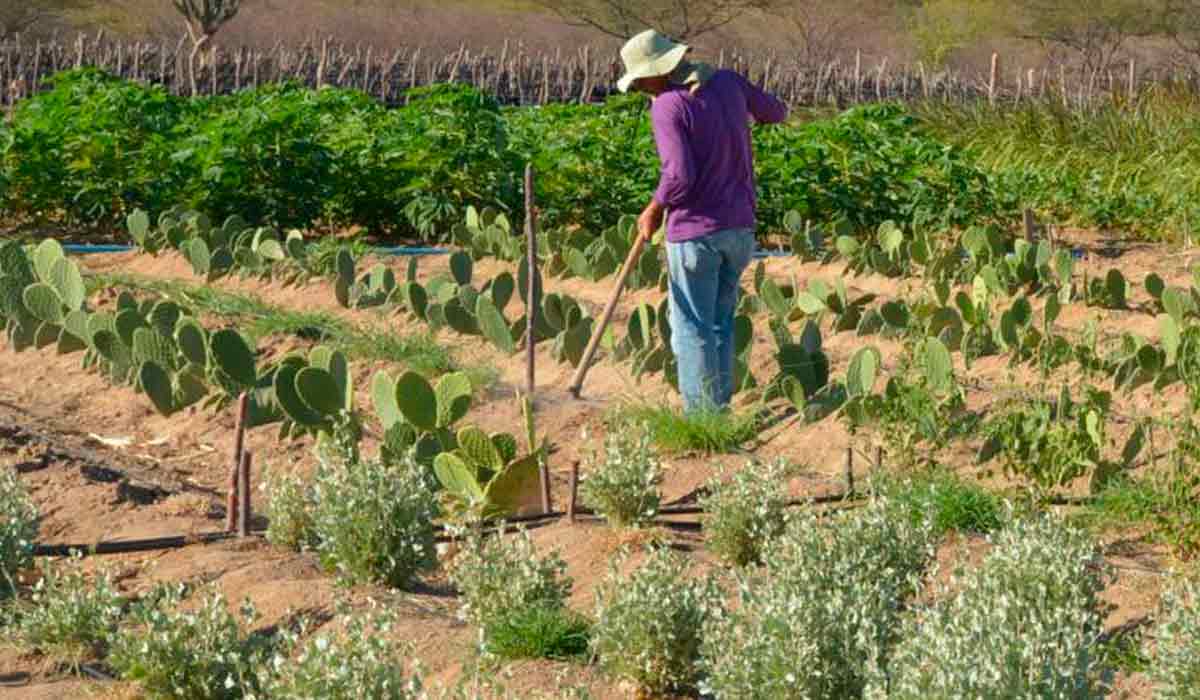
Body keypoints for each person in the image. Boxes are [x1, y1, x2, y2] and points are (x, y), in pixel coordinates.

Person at [618, 29, 788, 413]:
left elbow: (679, 175)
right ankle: (720, 410)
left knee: (692, 327)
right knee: (720, 324)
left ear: (659, 72)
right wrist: (732, 114)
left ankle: (700, 418)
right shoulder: (728, 81)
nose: (642, 88)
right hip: (740, 229)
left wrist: (653, 208)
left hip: (695, 232)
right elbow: (776, 112)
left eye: (642, 80)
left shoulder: (667, 105)